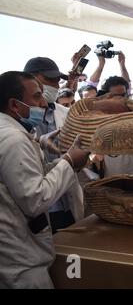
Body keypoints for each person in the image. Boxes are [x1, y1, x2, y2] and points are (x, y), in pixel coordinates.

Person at [0, 71, 89, 288]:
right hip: (20, 262)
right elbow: (35, 200)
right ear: (14, 104)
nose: (44, 102)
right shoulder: (13, 139)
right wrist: (68, 161)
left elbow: (20, 179)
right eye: (38, 96)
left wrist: (43, 150)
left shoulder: (10, 132)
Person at [23, 56, 82, 231]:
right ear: (29, 80)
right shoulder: (19, 119)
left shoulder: (69, 114)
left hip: (67, 201)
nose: (55, 86)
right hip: (39, 208)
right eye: (49, 80)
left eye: (57, 81)